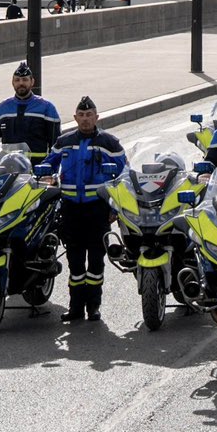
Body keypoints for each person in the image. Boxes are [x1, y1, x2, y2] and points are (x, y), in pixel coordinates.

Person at [48, 96, 125, 322]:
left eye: (89, 115)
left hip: (97, 209)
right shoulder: (64, 142)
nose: (85, 119)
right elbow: (47, 167)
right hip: (71, 209)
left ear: (96, 117)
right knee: (75, 261)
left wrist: (116, 207)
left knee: (96, 261)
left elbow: (123, 178)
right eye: (81, 115)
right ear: (75, 118)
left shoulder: (110, 143)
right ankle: (75, 308)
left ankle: (93, 307)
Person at [0, 63, 61, 153]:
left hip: (37, 165)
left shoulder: (47, 108)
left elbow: (56, 143)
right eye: (17, 80)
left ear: (32, 82)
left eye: (25, 80)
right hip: (8, 164)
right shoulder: (2, 108)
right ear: (12, 83)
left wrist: (50, 164)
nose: (21, 83)